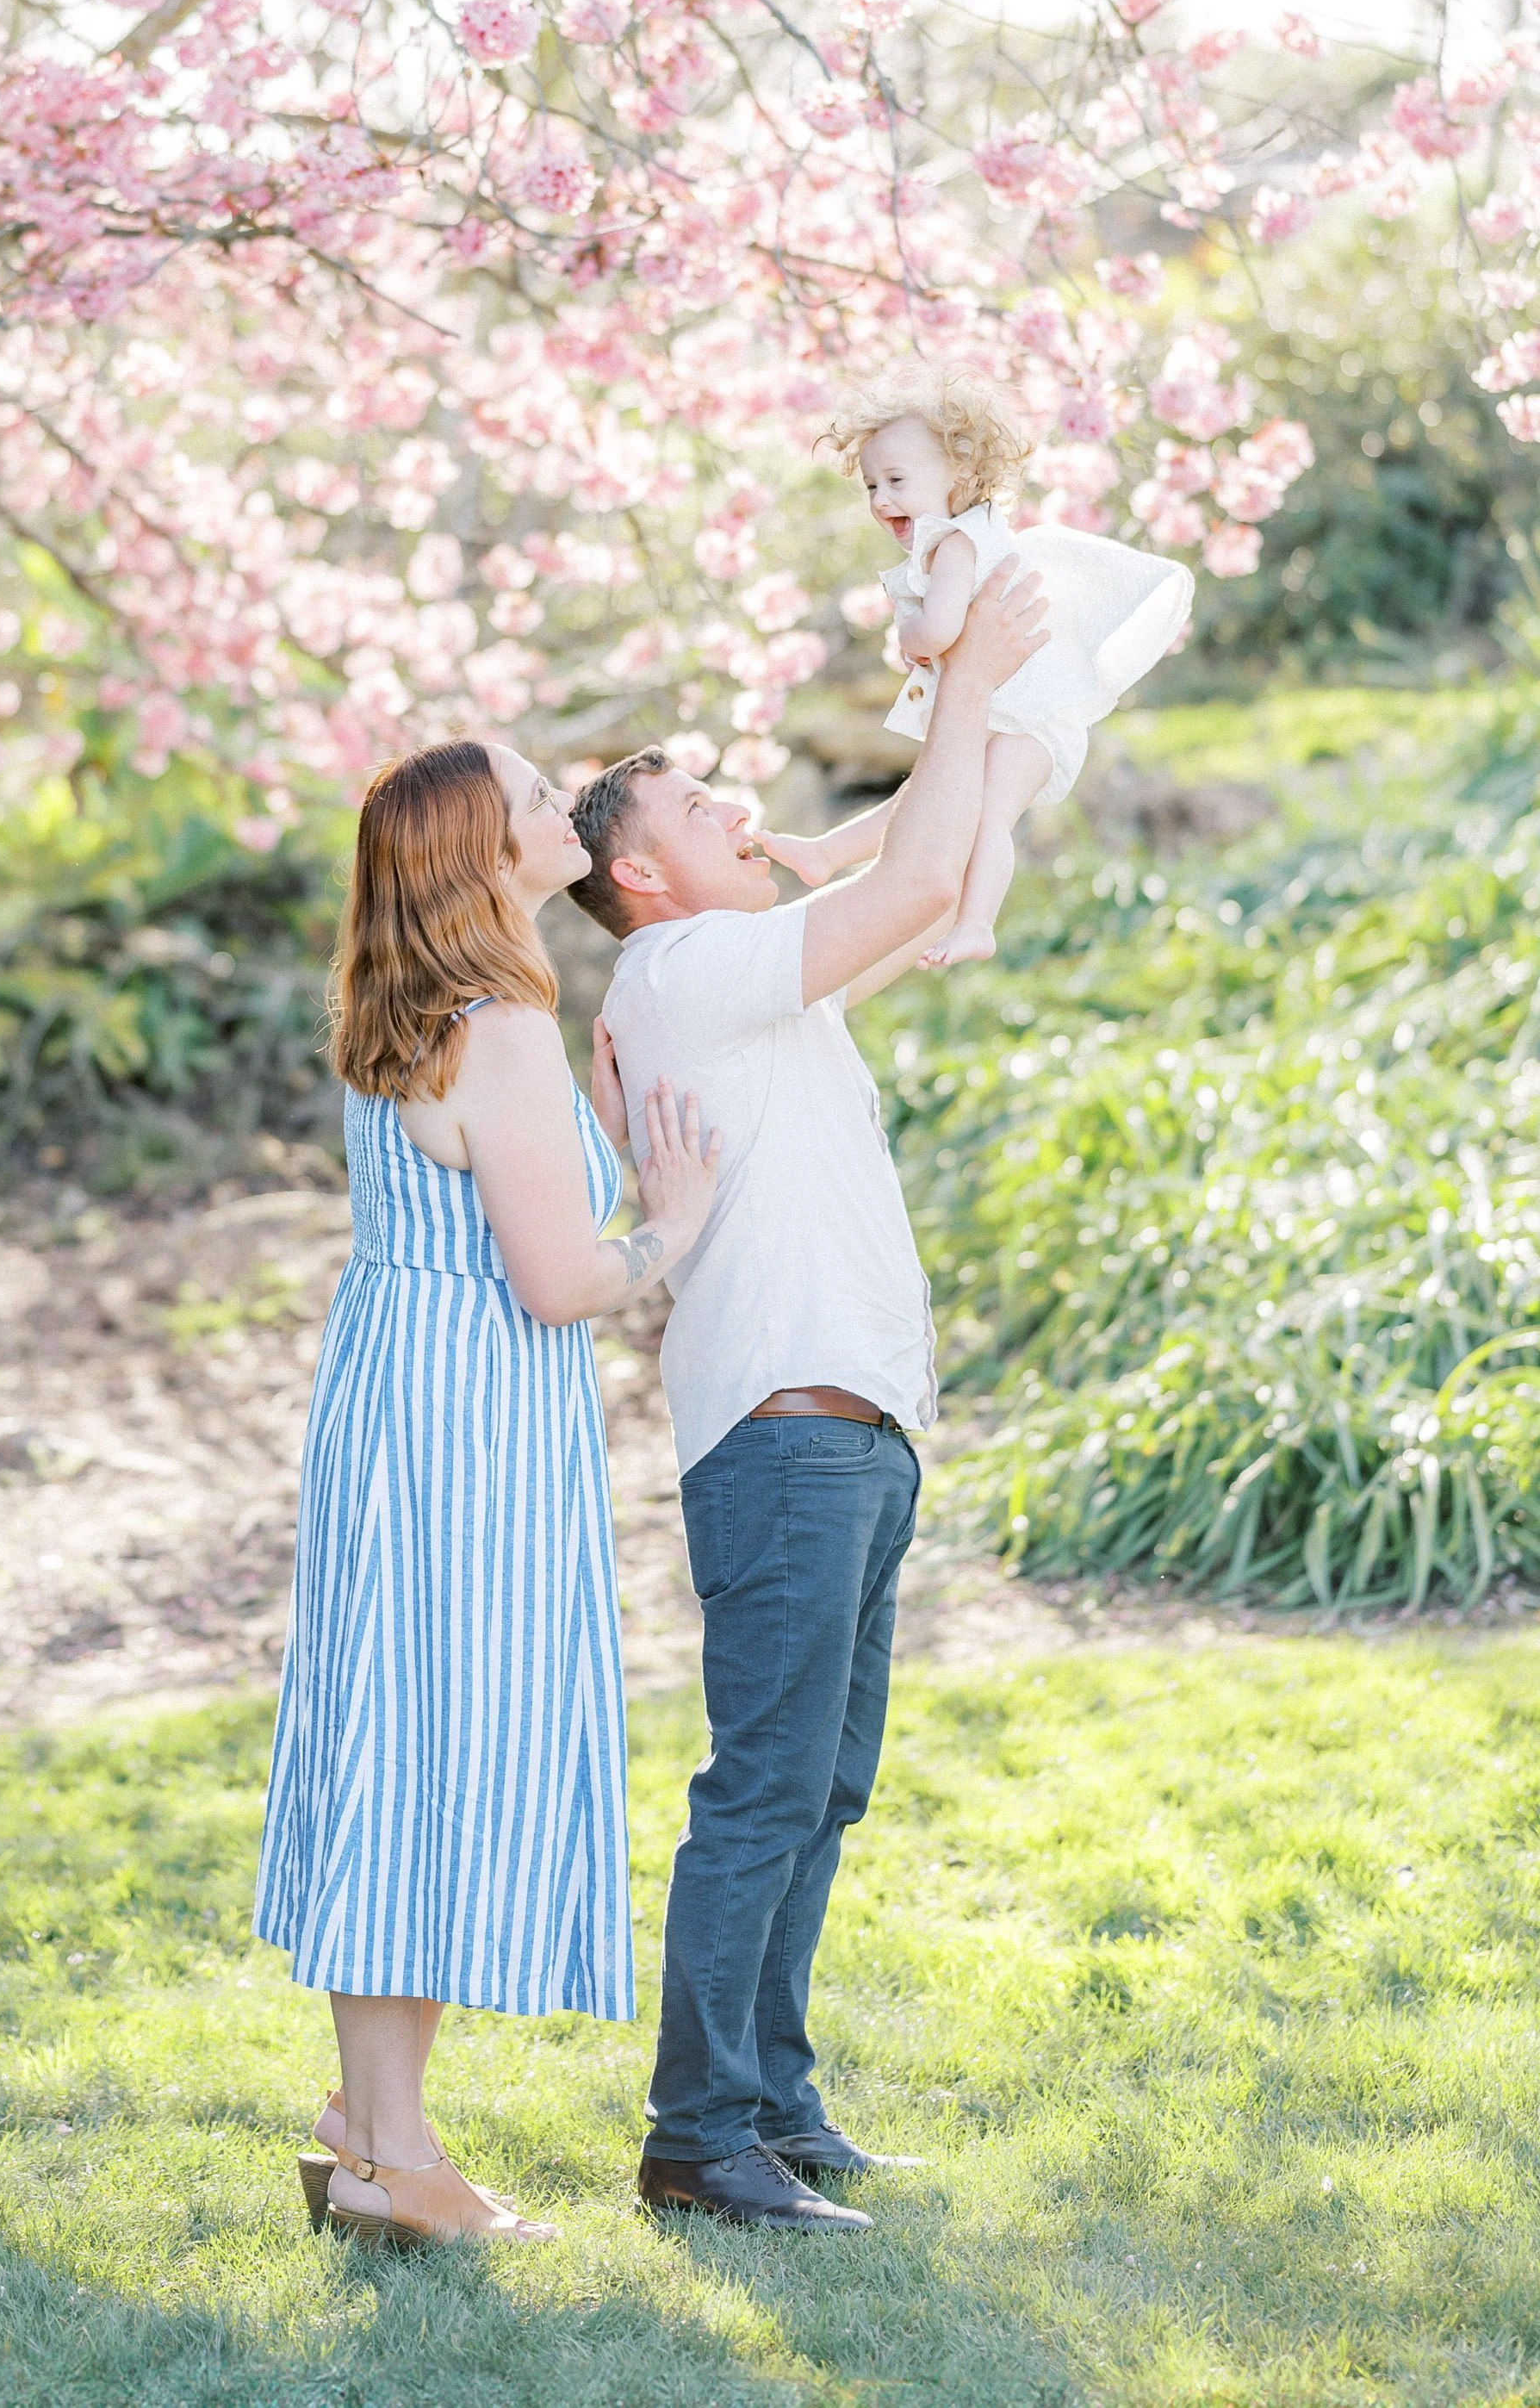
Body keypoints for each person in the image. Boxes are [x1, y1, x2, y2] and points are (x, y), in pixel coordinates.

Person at [567, 555, 1050, 2233]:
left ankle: (768, 2107)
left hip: (840, 1427)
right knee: (764, 1788)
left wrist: (968, 713)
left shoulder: (732, 972)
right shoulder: (684, 974)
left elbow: (893, 863)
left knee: (816, 1785)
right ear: (639, 871)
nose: (733, 800)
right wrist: (971, 671)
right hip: (784, 1433)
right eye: (700, 799)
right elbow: (916, 879)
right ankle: (697, 2140)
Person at [254, 737, 720, 2250]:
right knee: (438, 1764)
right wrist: (677, 1219)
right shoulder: (501, 1028)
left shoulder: (409, 1018)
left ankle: (366, 2127)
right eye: (534, 794)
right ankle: (394, 2152)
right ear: (482, 858)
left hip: (396, 1407)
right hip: (470, 1433)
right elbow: (555, 1279)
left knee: (397, 1758)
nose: (561, 798)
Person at [761, 360, 1193, 962]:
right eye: (870, 486)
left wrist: (911, 633)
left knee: (987, 814)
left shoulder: (957, 543)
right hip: (1013, 718)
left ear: (958, 475)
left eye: (896, 480)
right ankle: (827, 854)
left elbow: (937, 630)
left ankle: (977, 923)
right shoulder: (968, 537)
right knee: (925, 796)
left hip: (1035, 727)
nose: (881, 498)